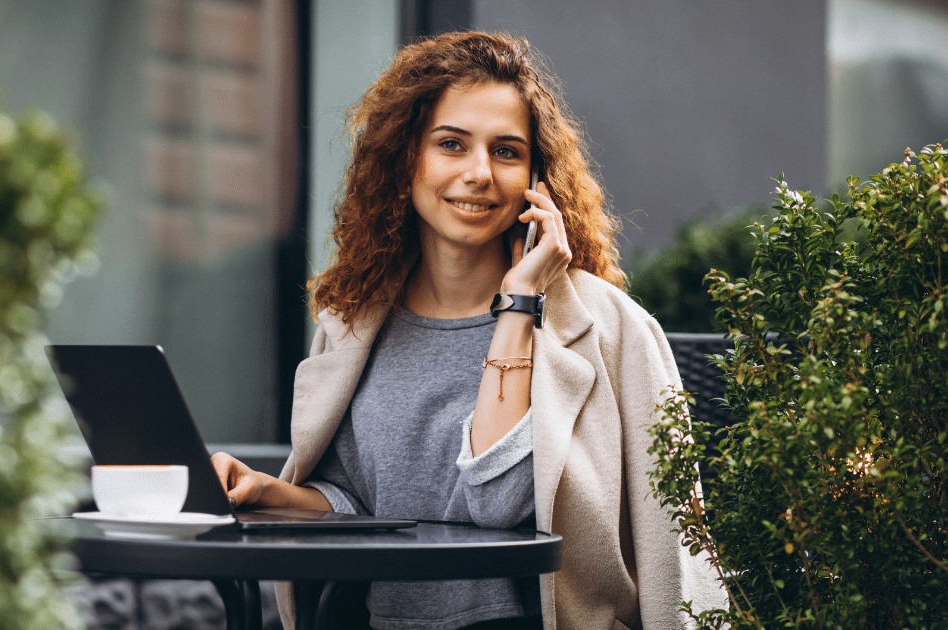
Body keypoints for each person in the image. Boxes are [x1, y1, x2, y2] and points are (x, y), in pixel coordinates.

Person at [212, 31, 724, 630]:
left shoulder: (609, 329)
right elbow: (361, 505)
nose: (479, 173)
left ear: (538, 177)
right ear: (407, 161)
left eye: (507, 151)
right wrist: (266, 493)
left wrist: (520, 303)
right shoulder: (355, 323)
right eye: (451, 144)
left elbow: (499, 502)